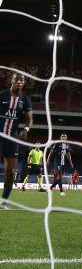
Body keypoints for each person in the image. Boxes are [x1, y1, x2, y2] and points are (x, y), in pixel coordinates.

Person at [0, 73, 32, 208]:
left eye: (21, 80)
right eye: (16, 80)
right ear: (11, 81)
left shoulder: (25, 100)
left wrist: (26, 129)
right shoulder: (2, 95)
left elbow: (29, 119)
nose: (19, 82)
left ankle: (4, 200)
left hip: (12, 138)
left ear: (23, 83)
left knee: (11, 171)